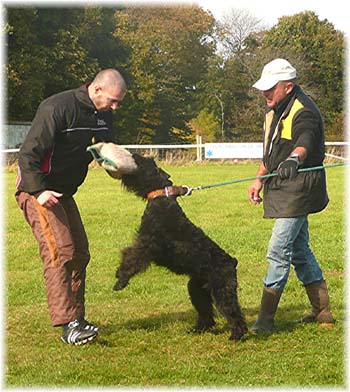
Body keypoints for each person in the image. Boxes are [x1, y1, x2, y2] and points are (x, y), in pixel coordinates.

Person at [15, 69, 127, 345]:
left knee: (80, 251)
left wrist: (118, 165)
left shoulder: (104, 115)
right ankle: (68, 325)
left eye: (119, 103)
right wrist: (38, 191)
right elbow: (28, 154)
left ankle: (78, 320)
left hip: (64, 192)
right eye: (113, 101)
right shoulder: (57, 107)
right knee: (60, 251)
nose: (115, 107)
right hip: (37, 189)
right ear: (97, 89)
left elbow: (106, 149)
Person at [248, 58, 334, 334]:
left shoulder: (304, 110)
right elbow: (271, 153)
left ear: (288, 86)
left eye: (270, 88)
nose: (265, 93)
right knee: (299, 249)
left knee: (278, 249)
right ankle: (322, 311)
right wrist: (259, 178)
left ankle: (264, 321)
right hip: (282, 185)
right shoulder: (272, 111)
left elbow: (305, 139)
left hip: (300, 188)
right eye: (264, 88)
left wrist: (296, 159)